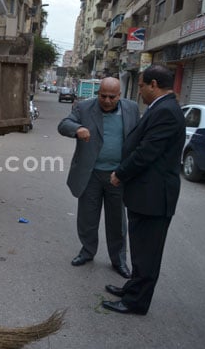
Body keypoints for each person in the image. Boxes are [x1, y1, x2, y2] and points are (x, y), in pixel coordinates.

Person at [103, 64, 185, 315]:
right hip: (145, 195)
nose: (138, 91)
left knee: (148, 253)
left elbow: (147, 152)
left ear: (153, 85)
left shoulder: (167, 111)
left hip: (154, 197)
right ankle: (132, 288)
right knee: (140, 248)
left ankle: (136, 302)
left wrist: (121, 173)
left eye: (140, 85)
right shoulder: (160, 108)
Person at [58, 77, 139, 278]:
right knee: (87, 217)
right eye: (103, 96)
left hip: (118, 175)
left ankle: (118, 259)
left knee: (117, 221)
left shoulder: (131, 109)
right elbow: (64, 124)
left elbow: (138, 136)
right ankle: (87, 251)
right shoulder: (84, 108)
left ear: (120, 95)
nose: (107, 100)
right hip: (91, 173)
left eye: (112, 97)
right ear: (98, 93)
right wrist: (77, 129)